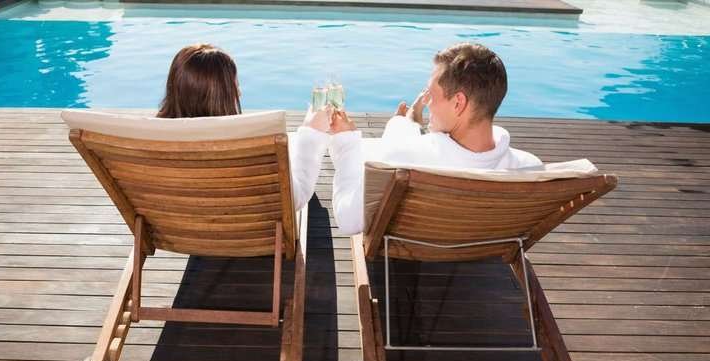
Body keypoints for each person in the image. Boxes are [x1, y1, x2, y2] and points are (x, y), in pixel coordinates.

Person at [327, 42, 543, 235]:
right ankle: (408, 123)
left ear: (458, 103)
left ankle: (406, 123)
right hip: (480, 249)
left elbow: (348, 220)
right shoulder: (530, 169)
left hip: (410, 264)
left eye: (432, 94)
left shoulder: (402, 161)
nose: (428, 102)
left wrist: (345, 146)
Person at [158, 43, 330, 211]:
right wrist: (311, 133)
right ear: (221, 96)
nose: (239, 92)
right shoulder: (250, 145)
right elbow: (296, 199)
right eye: (235, 85)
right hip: (248, 236)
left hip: (174, 235)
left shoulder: (146, 142)